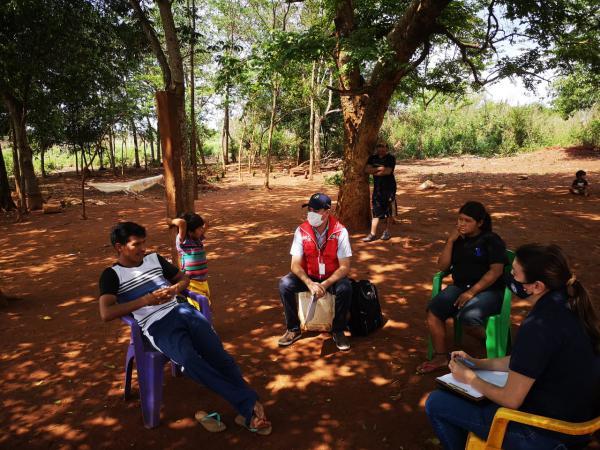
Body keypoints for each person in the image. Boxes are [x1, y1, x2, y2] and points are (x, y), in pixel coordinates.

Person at [98, 222, 271, 435]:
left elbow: (183, 278)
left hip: (183, 311)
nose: (143, 248)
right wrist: (146, 300)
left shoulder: (154, 259)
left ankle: (249, 407)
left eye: (144, 243)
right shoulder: (112, 275)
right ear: (119, 247)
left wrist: (174, 289)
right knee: (190, 361)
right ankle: (250, 403)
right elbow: (106, 312)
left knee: (219, 355)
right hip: (156, 325)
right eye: (136, 244)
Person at [426, 244, 600, 450]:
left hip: (545, 433)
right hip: (578, 424)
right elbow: (525, 361)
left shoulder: (539, 325)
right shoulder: (571, 304)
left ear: (537, 286)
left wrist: (469, 378)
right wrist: (477, 363)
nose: (510, 277)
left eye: (515, 274)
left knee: (436, 402)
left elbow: (511, 399)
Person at [417, 201, 507, 374]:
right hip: (460, 287)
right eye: (459, 220)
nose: (461, 224)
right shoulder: (457, 240)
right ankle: (441, 356)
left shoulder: (491, 240)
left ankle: (491, 344)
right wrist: (450, 241)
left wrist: (471, 292)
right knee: (434, 310)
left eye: (467, 221)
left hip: (489, 290)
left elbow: (496, 271)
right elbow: (442, 267)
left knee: (468, 317)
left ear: (480, 223)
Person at [278, 193, 353, 351]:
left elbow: (345, 267)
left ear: (327, 212)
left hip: (331, 278)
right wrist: (309, 283)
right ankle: (293, 329)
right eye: (309, 209)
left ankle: (338, 330)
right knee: (285, 284)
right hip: (310, 276)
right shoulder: (301, 231)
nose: (311, 213)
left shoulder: (340, 231)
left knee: (345, 288)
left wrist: (325, 284)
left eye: (316, 210)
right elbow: (295, 265)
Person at [168, 213, 210, 310]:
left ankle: (205, 324)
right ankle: (203, 324)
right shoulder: (183, 241)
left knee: (206, 306)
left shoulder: (198, 239)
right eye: (199, 228)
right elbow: (182, 223)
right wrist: (170, 221)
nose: (202, 230)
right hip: (192, 282)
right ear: (190, 231)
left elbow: (206, 222)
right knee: (199, 308)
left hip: (203, 281)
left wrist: (196, 219)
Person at [362, 139, 397, 242]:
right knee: (376, 210)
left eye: (383, 146)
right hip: (378, 188)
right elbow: (366, 170)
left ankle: (387, 231)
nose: (381, 148)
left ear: (387, 148)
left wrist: (375, 170)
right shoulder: (372, 158)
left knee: (389, 210)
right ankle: (372, 234)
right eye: (379, 146)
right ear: (376, 148)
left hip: (389, 187)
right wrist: (380, 169)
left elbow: (387, 171)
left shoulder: (390, 158)